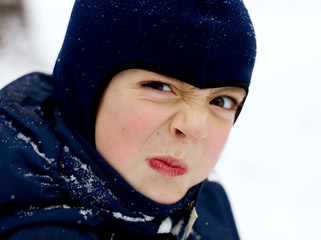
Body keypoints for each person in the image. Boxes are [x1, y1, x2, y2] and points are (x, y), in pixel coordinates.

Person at [0, 0, 256, 239]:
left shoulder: (208, 204)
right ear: (85, 88)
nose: (194, 127)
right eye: (160, 87)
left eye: (221, 101)